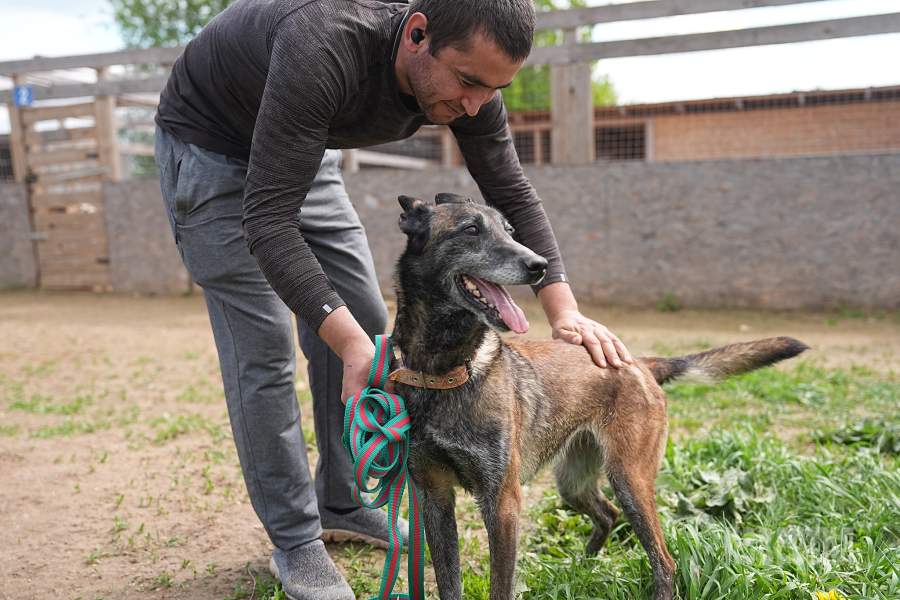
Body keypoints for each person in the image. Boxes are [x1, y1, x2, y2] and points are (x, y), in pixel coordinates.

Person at [153, 0, 633, 597]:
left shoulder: (473, 74)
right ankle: (297, 542)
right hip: (215, 150)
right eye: (468, 83)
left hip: (307, 151)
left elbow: (508, 184)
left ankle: (344, 502)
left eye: (494, 89)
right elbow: (269, 221)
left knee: (366, 318)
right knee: (266, 353)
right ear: (416, 34)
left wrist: (563, 310)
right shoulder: (323, 43)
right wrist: (350, 344)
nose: (476, 105)